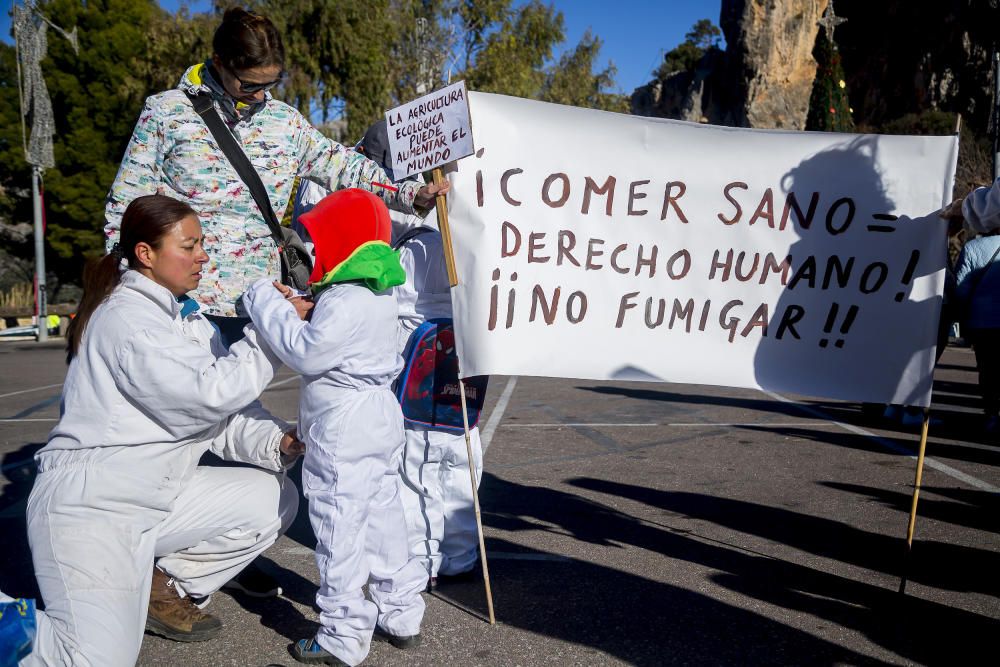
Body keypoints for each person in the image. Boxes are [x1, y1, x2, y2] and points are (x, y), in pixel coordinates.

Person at [0, 195, 303, 666]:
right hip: (93, 509)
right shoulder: (126, 319)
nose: (203, 255)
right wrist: (270, 330)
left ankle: (165, 585)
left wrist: (281, 440)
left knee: (270, 497)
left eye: (202, 243)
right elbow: (206, 397)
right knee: (92, 660)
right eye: (189, 245)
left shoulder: (188, 319)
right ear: (146, 254)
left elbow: (219, 416)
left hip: (154, 499)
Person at [103, 6, 449, 346]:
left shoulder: (284, 121)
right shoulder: (165, 112)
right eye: (249, 84)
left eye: (271, 83)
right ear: (220, 62)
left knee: (240, 399)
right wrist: (125, 284)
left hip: (259, 303)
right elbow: (126, 203)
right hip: (180, 301)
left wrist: (409, 194)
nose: (259, 95)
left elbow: (343, 165)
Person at [243, 189, 427, 666]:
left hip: (343, 425)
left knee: (339, 525)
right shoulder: (376, 293)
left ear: (341, 242)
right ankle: (401, 611)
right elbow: (335, 326)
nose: (313, 252)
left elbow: (305, 351)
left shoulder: (344, 298)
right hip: (381, 418)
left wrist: (265, 299)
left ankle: (342, 634)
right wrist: (300, 302)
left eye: (320, 241)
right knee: (384, 515)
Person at [394, 224, 485, 589]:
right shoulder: (481, 236)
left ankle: (422, 559)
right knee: (462, 467)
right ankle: (459, 556)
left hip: (416, 372)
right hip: (464, 368)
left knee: (417, 473)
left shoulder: (409, 246)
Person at [954, 225, 1000, 433]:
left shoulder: (974, 247)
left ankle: (992, 414)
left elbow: (961, 288)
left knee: (987, 368)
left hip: (982, 321)